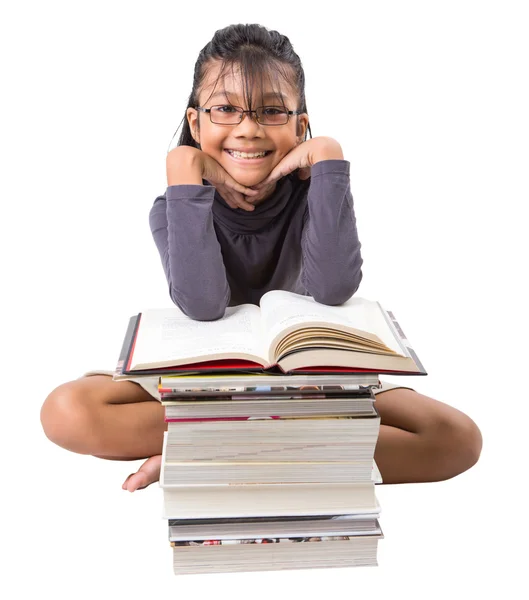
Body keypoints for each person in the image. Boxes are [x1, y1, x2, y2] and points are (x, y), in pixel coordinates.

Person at [40, 23, 482, 492]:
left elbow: (333, 288)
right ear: (196, 124)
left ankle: (203, 452)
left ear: (300, 126)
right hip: (203, 379)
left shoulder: (317, 193)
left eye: (272, 111)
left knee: (457, 438)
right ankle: (286, 449)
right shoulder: (174, 204)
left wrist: (329, 160)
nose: (248, 129)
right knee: (66, 411)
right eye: (225, 109)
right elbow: (203, 303)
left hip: (311, 378)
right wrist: (182, 171)